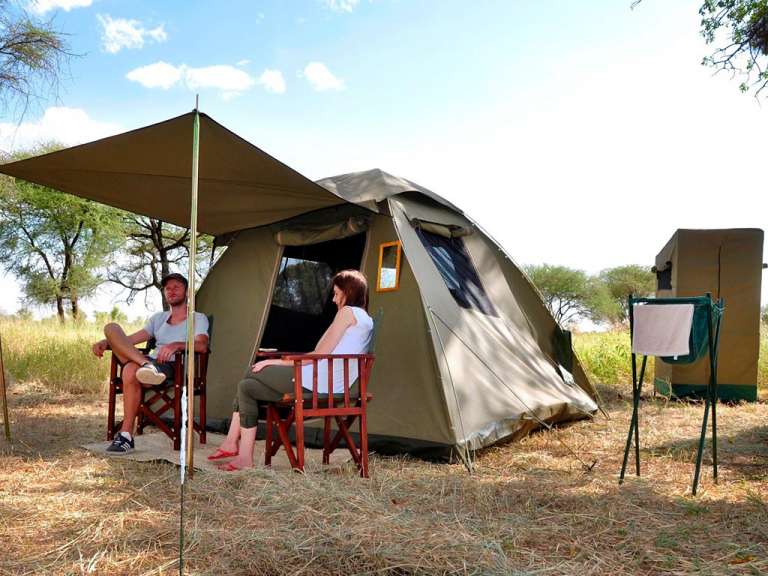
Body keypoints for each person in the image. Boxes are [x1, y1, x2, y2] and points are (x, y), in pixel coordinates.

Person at [210, 269, 372, 471]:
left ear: (348, 293)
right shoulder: (365, 318)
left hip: (317, 382)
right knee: (247, 387)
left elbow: (317, 355)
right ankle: (243, 457)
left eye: (337, 293)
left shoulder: (347, 312)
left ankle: (231, 442)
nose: (333, 299)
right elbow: (323, 352)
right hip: (331, 383)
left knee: (253, 370)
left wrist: (275, 362)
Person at [92, 273, 209, 454]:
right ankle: (146, 367)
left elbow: (202, 345)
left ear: (186, 292)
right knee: (111, 329)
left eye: (177, 287)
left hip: (172, 367)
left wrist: (176, 344)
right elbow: (129, 340)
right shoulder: (158, 318)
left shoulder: (198, 318)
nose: (171, 291)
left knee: (130, 369)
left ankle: (125, 435)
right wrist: (106, 342)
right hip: (150, 364)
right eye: (168, 288)